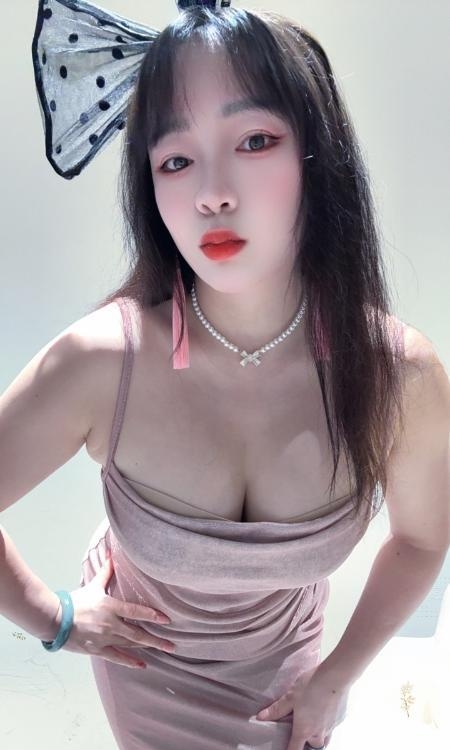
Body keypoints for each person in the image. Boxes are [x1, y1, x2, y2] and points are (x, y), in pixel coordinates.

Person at [2, 2, 449, 749]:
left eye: (254, 141)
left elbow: (422, 541)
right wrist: (55, 618)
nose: (212, 192)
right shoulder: (101, 362)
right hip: (144, 665)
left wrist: (336, 677)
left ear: (317, 155)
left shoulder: (398, 375)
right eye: (176, 160)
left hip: (290, 663)